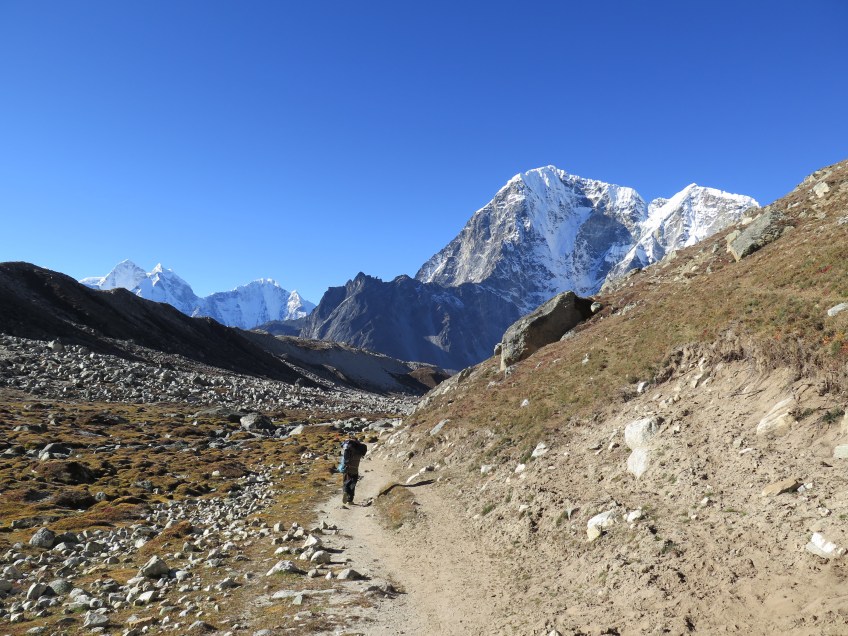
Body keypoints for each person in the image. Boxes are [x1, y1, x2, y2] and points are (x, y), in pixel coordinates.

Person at [338, 436, 367, 505]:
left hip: (347, 468)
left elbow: (345, 457)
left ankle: (345, 492)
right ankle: (350, 500)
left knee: (346, 482)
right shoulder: (360, 448)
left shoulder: (348, 448)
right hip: (355, 468)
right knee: (353, 483)